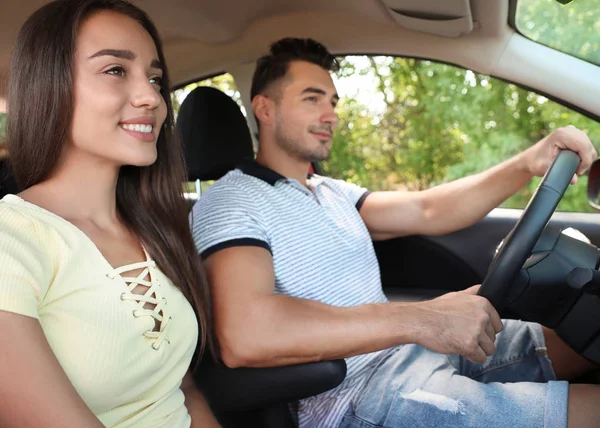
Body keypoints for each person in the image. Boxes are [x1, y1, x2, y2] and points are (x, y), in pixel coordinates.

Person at [191, 38, 600, 428]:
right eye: (312, 98)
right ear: (264, 108)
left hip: (409, 352)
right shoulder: (231, 202)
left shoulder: (331, 191)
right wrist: (423, 319)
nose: (331, 114)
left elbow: (429, 208)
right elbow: (246, 332)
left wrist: (529, 161)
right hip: (355, 395)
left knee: (580, 342)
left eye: (333, 101)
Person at [0, 1, 219, 427]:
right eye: (116, 70)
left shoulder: (153, 227)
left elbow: (181, 388)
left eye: (155, 78)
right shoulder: (12, 239)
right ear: (49, 86)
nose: (152, 97)